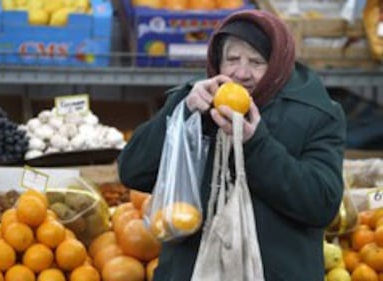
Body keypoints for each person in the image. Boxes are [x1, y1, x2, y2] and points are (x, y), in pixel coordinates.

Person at [117, 9, 346, 281]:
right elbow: (133, 171)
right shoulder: (193, 100)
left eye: (257, 62)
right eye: (232, 59)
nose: (242, 73)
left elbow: (321, 203)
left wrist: (255, 144)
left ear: (278, 64)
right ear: (217, 61)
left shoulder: (316, 113)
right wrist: (185, 115)